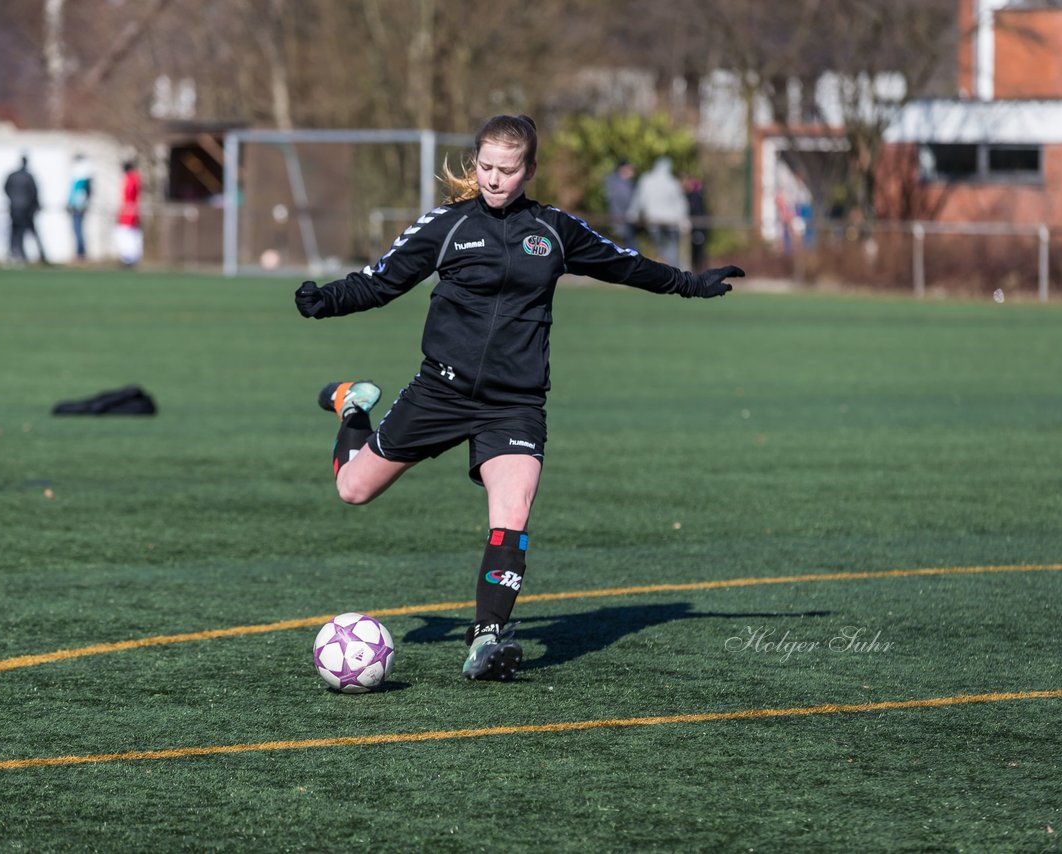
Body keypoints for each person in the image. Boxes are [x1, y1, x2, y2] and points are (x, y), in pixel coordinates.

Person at [294, 115, 743, 681]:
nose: (494, 180)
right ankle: (352, 405)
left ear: (530, 170)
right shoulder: (448, 226)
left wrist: (691, 282)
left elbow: (624, 265)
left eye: (507, 170)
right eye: (485, 167)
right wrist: (326, 300)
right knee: (352, 489)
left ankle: (487, 637)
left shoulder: (554, 231)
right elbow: (381, 280)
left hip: (515, 403)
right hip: (441, 390)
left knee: (513, 509)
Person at [627, 155, 688, 267]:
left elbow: (639, 199)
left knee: (665, 248)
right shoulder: (671, 182)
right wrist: (683, 219)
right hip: (669, 221)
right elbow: (680, 203)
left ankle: (677, 270)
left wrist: (633, 213)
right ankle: (677, 269)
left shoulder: (649, 180)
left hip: (658, 220)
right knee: (669, 249)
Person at [3, 155, 48, 265]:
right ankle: (35, 255)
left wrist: (12, 200)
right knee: (26, 233)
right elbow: (34, 192)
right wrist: (34, 205)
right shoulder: (28, 177)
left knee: (16, 233)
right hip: (26, 210)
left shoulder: (13, 176)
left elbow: (5, 188)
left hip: (15, 209)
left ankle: (16, 254)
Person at [603, 160, 637, 251]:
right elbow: (627, 201)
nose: (632, 171)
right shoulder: (620, 184)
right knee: (631, 250)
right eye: (630, 168)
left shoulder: (617, 182)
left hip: (623, 222)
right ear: (623, 169)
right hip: (622, 221)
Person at [115, 160, 142, 267]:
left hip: (129, 211)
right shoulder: (134, 178)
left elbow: (129, 195)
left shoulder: (131, 179)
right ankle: (129, 257)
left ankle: (129, 257)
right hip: (129, 210)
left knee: (126, 233)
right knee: (129, 233)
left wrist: (127, 209)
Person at [67, 154, 94, 262]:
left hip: (78, 206)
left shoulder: (81, 176)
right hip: (77, 205)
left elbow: (78, 194)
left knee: (78, 229)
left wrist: (74, 204)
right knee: (77, 229)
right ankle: (80, 252)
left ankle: (80, 253)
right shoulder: (83, 176)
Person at [684, 175, 710, 271]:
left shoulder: (695, 197)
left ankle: (698, 270)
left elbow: (697, 213)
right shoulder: (697, 197)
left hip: (698, 228)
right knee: (697, 251)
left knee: (698, 252)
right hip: (698, 228)